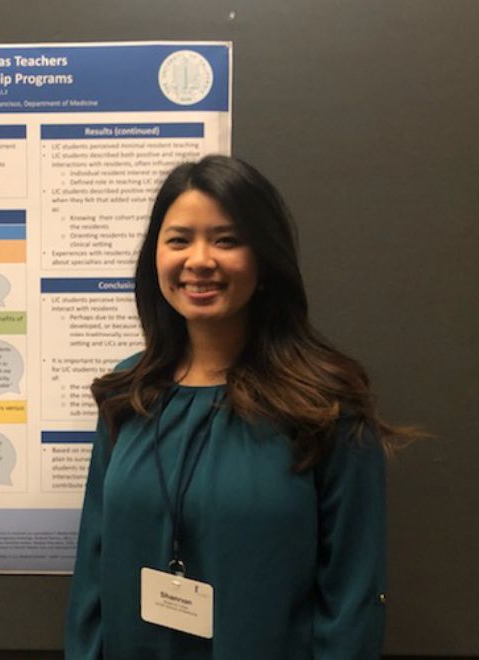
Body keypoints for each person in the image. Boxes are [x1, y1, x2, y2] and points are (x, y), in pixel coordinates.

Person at [65, 155, 414, 659]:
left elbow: (352, 596)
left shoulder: (324, 404)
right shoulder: (129, 394)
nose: (199, 260)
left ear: (264, 260)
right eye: (179, 240)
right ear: (155, 257)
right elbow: (92, 575)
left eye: (226, 240)